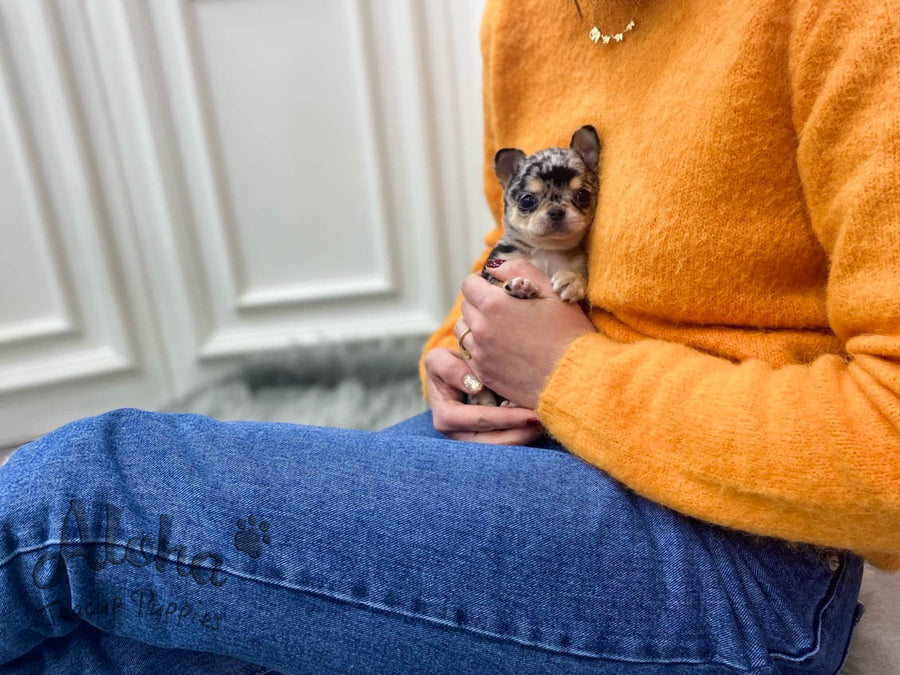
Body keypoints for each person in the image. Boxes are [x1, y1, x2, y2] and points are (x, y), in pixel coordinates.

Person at [0, 0, 896, 672]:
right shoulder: (527, 15)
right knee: (100, 640)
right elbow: (512, 242)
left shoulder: (847, 19)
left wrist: (569, 374)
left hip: (748, 542)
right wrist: (463, 346)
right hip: (540, 440)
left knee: (84, 497)